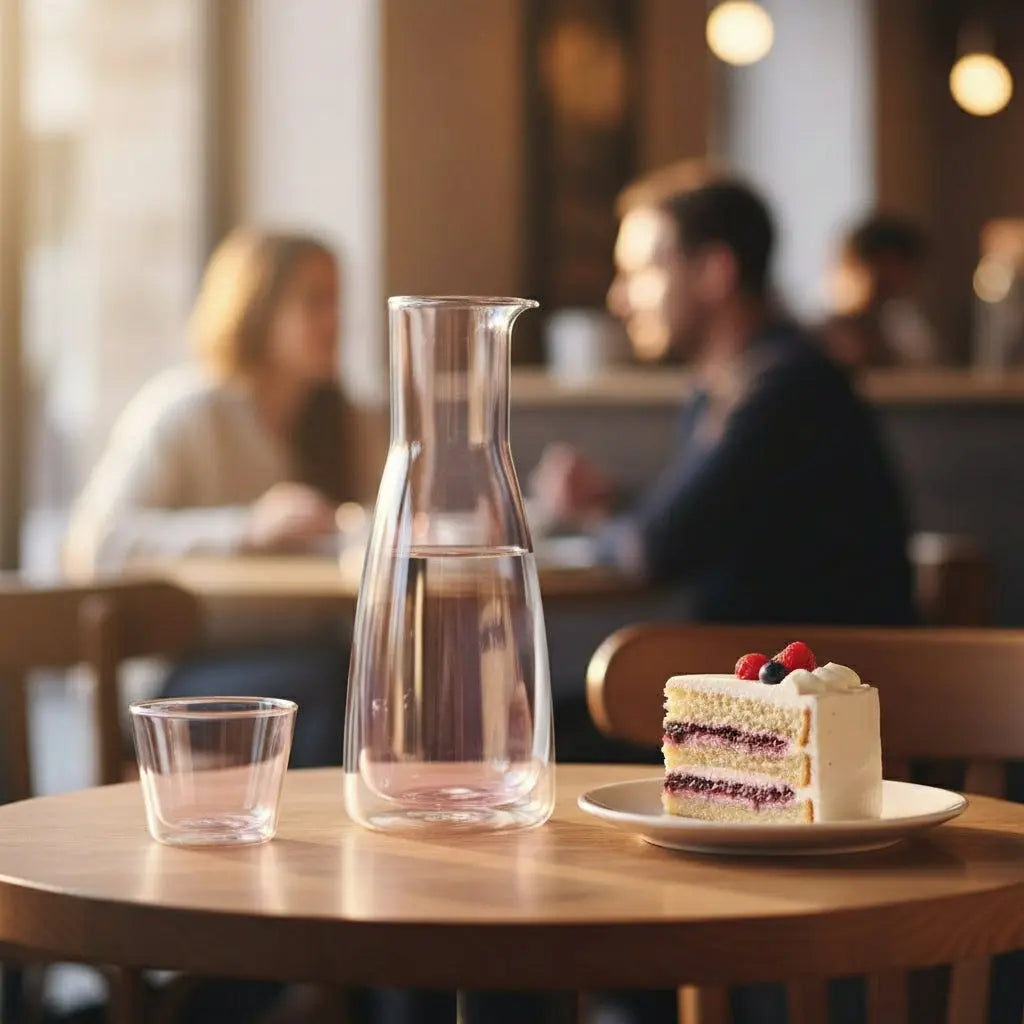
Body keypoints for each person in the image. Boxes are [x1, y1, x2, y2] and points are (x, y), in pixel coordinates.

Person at [532, 178, 916, 629]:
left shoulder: (785, 390)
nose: (619, 299)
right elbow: (707, 520)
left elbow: (657, 548)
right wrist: (610, 500)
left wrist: (590, 515)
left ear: (716, 272)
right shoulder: (733, 385)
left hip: (822, 688)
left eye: (642, 271)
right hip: (765, 683)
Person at [66, 229, 351, 770]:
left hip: (306, 650)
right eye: (314, 300)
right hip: (178, 670)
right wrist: (245, 528)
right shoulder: (184, 412)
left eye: (337, 300)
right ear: (258, 306)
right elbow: (97, 543)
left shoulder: (339, 421)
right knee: (331, 683)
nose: (334, 319)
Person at [822, 213, 939, 368]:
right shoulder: (830, 332)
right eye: (876, 264)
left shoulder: (911, 331)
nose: (886, 274)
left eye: (896, 265)